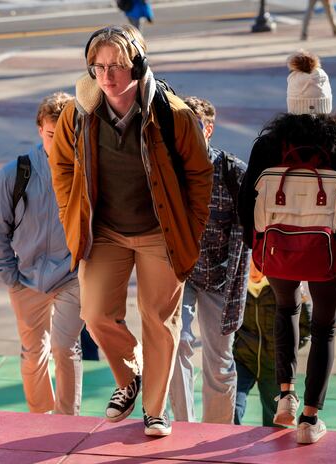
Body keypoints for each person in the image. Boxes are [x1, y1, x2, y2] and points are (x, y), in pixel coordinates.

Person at [48, 25, 213, 436]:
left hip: (160, 233)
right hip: (104, 231)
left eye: (117, 66)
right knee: (96, 313)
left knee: (158, 320)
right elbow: (62, 166)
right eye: (98, 67)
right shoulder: (78, 114)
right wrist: (72, 211)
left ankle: (156, 411)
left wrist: (189, 229)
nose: (107, 76)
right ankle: (129, 377)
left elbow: (199, 175)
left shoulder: (173, 115)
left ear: (137, 65)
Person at [237, 50, 336, 444]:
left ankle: (285, 395)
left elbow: (246, 199)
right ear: (327, 101)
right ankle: (310, 419)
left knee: (285, 310)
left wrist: (256, 243)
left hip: (278, 247)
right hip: (329, 251)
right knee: (325, 328)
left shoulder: (268, 146)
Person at [0, 92, 85, 415]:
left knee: (65, 348)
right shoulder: (15, 174)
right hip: (26, 277)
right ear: (39, 129)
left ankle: (68, 420)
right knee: (33, 352)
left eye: (67, 135)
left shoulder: (86, 172)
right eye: (52, 135)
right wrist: (11, 277)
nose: (59, 143)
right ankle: (39, 418)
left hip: (72, 275)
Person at [168, 96, 251, 425]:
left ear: (209, 129)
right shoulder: (169, 171)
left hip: (221, 277)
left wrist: (237, 294)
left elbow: (245, 239)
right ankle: (184, 427)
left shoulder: (233, 173)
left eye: (194, 127)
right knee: (176, 345)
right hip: (180, 274)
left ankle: (214, 433)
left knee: (219, 361)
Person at [233, 262, 312, 427]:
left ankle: (274, 451)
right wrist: (236, 346)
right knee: (231, 408)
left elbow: (305, 326)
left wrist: (285, 351)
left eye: (258, 265)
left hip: (274, 366)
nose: (254, 271)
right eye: (250, 264)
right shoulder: (238, 286)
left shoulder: (282, 288)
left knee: (277, 421)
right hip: (243, 360)